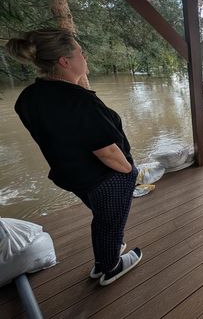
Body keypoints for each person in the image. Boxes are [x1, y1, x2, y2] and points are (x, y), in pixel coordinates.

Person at [5, 28, 142, 286]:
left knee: (102, 216)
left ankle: (108, 248)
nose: (85, 57)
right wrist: (130, 172)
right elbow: (108, 152)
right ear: (64, 61)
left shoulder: (27, 98)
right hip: (103, 178)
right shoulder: (78, 101)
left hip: (69, 175)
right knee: (108, 220)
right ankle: (108, 266)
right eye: (81, 52)